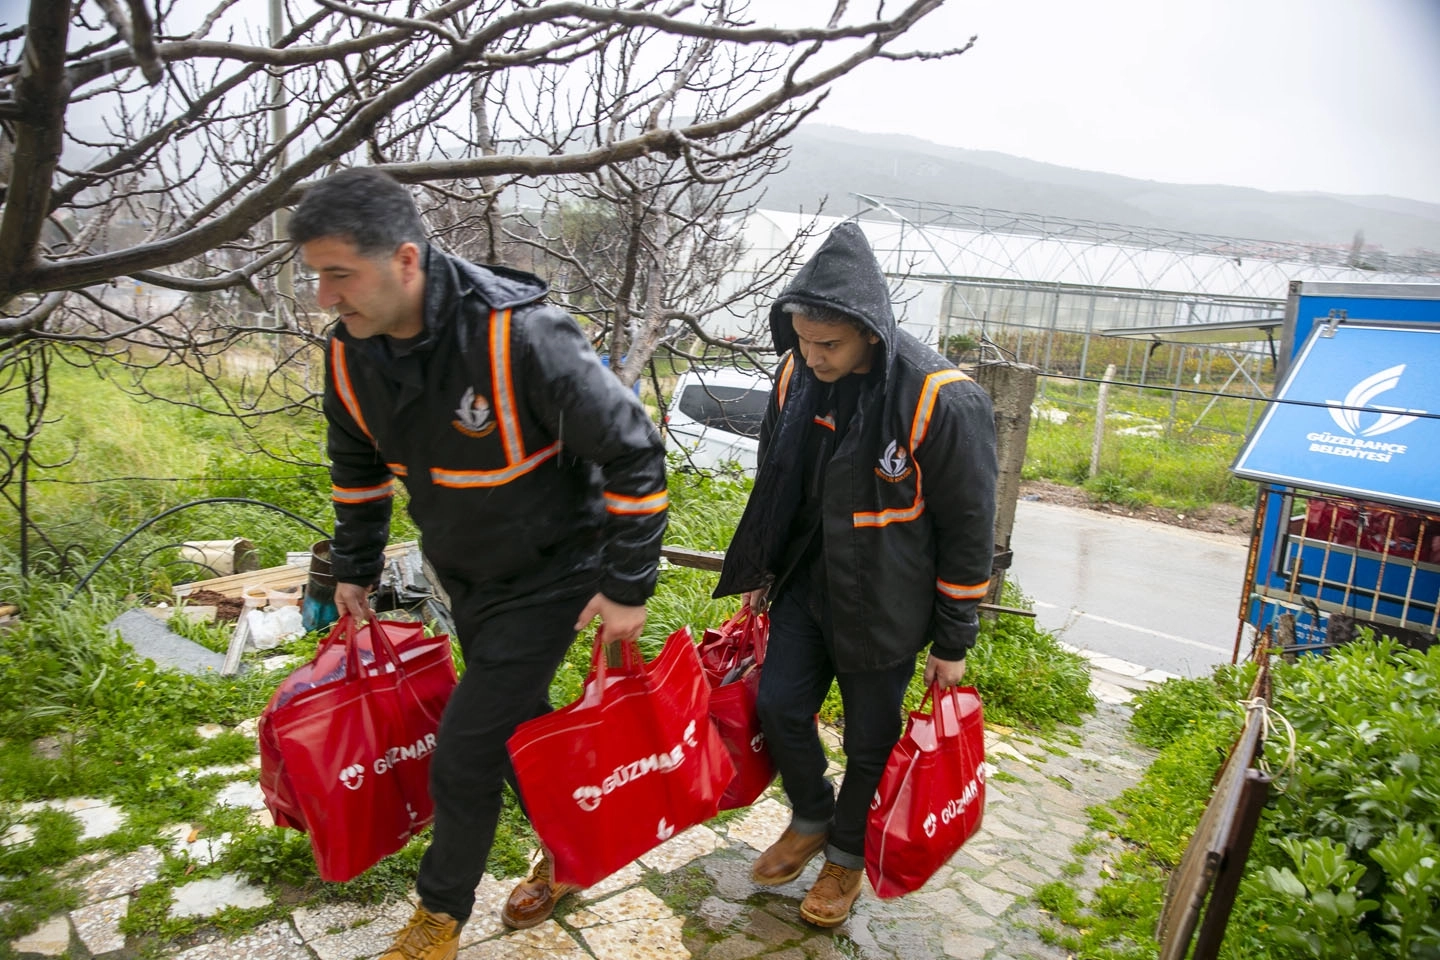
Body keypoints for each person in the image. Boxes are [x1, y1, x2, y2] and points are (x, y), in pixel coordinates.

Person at [291, 168, 668, 960]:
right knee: (518, 724)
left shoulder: (521, 335)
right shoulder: (349, 355)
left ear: (404, 259)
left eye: (339, 274)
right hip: (464, 576)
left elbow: (634, 451)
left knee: (465, 748)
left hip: (556, 572)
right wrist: (354, 567)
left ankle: (440, 915)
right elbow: (356, 469)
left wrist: (628, 584)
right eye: (316, 276)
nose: (325, 297)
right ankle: (574, 847)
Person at [713, 221, 997, 927]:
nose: (813, 357)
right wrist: (762, 568)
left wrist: (953, 641)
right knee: (779, 706)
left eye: (829, 345)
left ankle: (844, 858)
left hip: (888, 603)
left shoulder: (940, 398)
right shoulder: (796, 376)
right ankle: (812, 814)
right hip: (808, 584)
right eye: (803, 340)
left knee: (870, 739)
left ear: (870, 331)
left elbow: (969, 529)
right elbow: (776, 478)